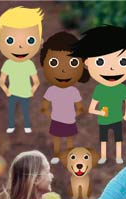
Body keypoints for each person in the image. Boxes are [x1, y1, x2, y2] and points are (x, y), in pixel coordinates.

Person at [70, 25, 126, 164]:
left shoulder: (121, 89)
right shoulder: (100, 90)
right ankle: (104, 156)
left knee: (118, 139)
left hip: (117, 118)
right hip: (104, 120)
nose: (111, 68)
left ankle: (118, 156)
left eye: (122, 61)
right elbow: (92, 108)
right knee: (104, 139)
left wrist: (125, 115)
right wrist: (101, 112)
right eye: (100, 62)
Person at [39, 31, 89, 164]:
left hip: (68, 119)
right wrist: (51, 114)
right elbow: (44, 106)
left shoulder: (73, 91)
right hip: (57, 119)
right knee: (57, 138)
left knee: (69, 138)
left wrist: (74, 114)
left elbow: (79, 107)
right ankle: (56, 155)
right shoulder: (52, 90)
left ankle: (69, 155)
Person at [0, 7, 43, 134]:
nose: (21, 46)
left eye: (30, 40)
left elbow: (36, 81)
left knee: (24, 110)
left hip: (25, 92)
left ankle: (26, 125)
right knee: (12, 110)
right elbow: (2, 81)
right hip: (13, 92)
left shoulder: (29, 64)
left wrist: (32, 90)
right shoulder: (8, 64)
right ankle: (11, 125)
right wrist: (6, 91)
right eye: (10, 40)